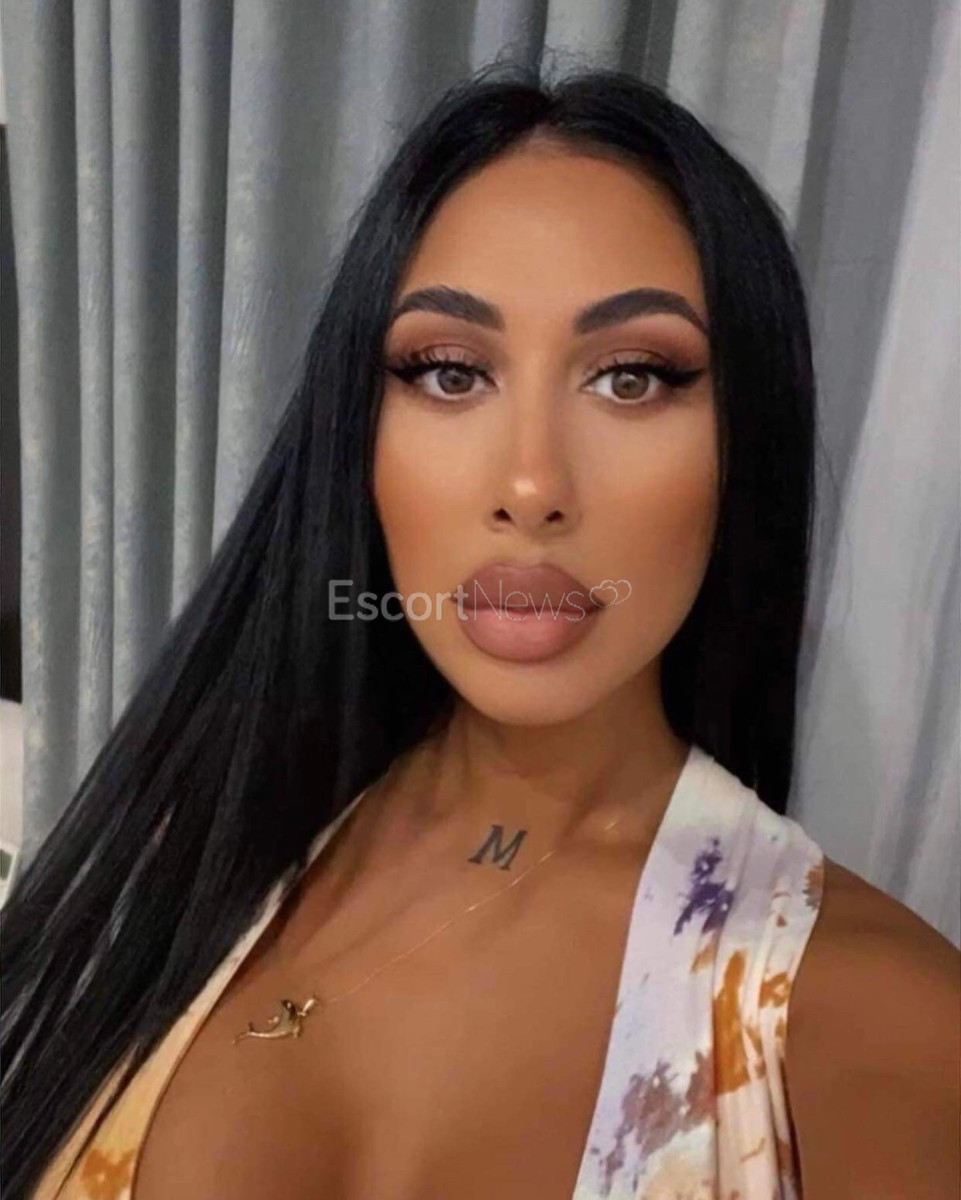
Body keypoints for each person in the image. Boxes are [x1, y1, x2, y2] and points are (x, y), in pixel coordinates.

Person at [4, 64, 958, 1200]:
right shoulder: (209, 834)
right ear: (359, 429)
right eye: (450, 372)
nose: (530, 485)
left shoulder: (885, 1027)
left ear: (746, 437)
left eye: (631, 378)